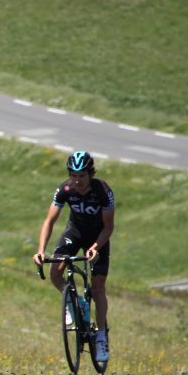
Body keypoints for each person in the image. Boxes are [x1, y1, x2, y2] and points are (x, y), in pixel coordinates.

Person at [33, 150, 115, 362]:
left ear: (91, 173)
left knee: (97, 287)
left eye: (82, 175)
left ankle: (101, 335)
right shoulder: (65, 189)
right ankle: (73, 301)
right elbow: (49, 222)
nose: (77, 180)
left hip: (98, 237)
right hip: (75, 232)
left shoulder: (103, 190)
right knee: (55, 272)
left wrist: (96, 247)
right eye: (74, 175)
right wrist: (41, 251)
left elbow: (108, 227)